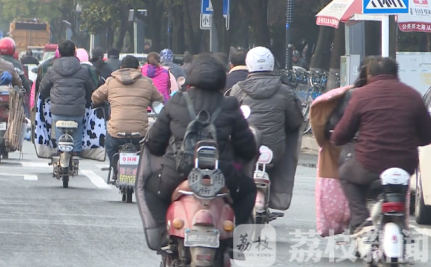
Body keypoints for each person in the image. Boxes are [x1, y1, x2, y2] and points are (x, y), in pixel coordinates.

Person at [144, 53, 258, 237]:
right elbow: (247, 148)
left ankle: (163, 233)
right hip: (222, 176)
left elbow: (155, 144)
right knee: (249, 190)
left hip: (176, 175)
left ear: (192, 77)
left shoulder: (176, 102)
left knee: (149, 187)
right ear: (222, 79)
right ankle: (233, 238)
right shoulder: (230, 105)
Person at [331, 56, 431, 234]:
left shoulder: (361, 95)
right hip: (405, 164)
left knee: (346, 174)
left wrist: (336, 138)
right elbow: (426, 137)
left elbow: (342, 133)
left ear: (369, 75)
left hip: (369, 163)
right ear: (395, 73)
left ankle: (362, 221)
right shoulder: (413, 96)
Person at [228, 47, 303, 214]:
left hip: (246, 147)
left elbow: (229, 117)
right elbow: (295, 121)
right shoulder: (285, 91)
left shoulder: (238, 89)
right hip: (275, 151)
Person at [92, 55, 163, 180]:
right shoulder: (147, 83)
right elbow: (159, 100)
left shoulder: (111, 81)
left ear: (121, 68)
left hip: (116, 133)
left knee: (109, 145)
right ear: (138, 68)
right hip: (140, 133)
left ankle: (115, 167)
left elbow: (95, 97)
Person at [39, 40, 96, 156]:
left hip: (57, 111)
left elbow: (42, 89)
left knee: (58, 127)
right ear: (75, 53)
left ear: (58, 53)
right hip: (77, 112)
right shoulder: (83, 71)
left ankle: (60, 149)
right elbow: (92, 89)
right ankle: (76, 151)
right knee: (78, 128)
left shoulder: (52, 70)